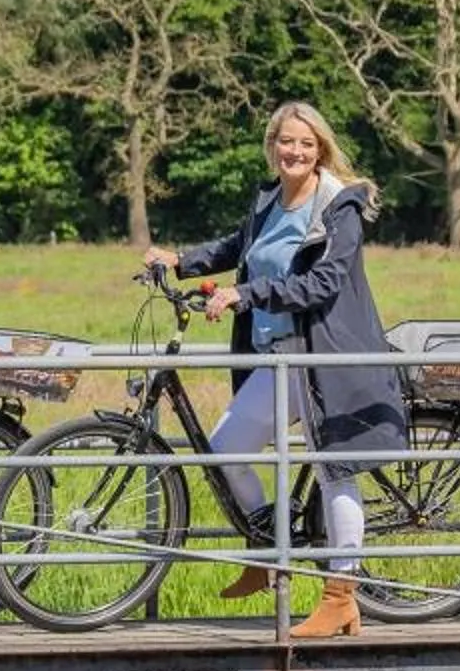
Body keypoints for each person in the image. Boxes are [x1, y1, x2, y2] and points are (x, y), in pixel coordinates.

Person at [146, 102, 406, 639]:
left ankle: (341, 596)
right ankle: (271, 545)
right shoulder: (270, 199)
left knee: (336, 470)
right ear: (273, 145)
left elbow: (322, 285)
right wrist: (180, 259)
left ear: (321, 150)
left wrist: (245, 294)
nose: (295, 152)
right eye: (287, 142)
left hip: (323, 356)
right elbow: (240, 247)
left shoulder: (339, 206)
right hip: (277, 355)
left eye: (306, 144)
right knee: (226, 451)